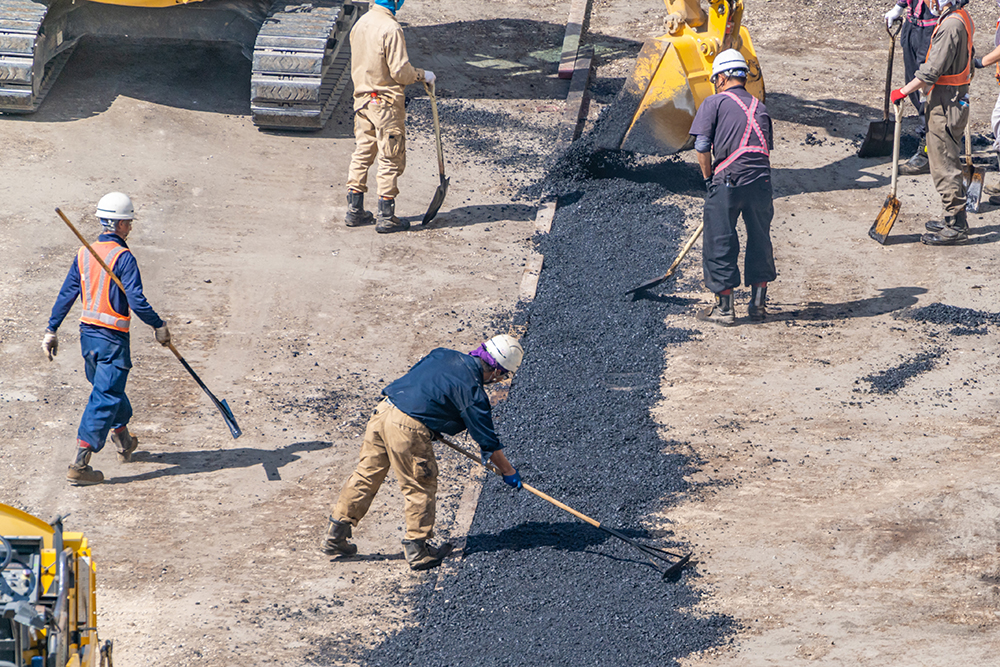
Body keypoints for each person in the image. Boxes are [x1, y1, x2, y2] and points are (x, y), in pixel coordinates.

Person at [321, 334, 524, 571]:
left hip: (384, 411)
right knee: (420, 484)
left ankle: (336, 535)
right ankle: (418, 550)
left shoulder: (443, 354)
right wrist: (508, 471)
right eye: (504, 376)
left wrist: (431, 421)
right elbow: (487, 440)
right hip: (407, 428)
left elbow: (422, 385)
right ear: (497, 372)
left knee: (366, 475)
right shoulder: (473, 390)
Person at [43, 193, 171, 486]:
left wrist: (52, 329)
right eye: (127, 222)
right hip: (112, 340)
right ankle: (80, 462)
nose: (130, 227)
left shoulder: (84, 253)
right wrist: (158, 325)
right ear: (117, 224)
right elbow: (137, 301)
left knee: (108, 390)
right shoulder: (123, 257)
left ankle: (123, 439)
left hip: (88, 338)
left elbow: (67, 293)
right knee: (105, 396)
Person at [689, 49, 776, 327]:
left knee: (720, 240)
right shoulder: (760, 107)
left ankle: (725, 309)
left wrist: (707, 179)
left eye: (717, 79)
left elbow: (702, 146)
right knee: (760, 238)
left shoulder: (713, 103)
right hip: (761, 182)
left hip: (728, 181)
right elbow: (761, 151)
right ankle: (758, 305)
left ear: (723, 77)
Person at [343, 0, 435, 234]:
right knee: (390, 156)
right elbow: (400, 72)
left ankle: (354, 211)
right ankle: (386, 217)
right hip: (385, 104)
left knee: (363, 151)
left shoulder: (361, 23)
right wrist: (423, 75)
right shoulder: (391, 28)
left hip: (362, 100)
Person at [891, 0, 974, 245]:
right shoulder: (962, 17)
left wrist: (903, 91)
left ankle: (956, 226)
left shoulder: (950, 26)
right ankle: (951, 218)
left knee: (943, 164)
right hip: (953, 98)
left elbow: (931, 70)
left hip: (945, 104)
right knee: (946, 157)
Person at [886, 0, 939, 175]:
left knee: (928, 85)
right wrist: (899, 7)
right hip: (913, 25)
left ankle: (928, 150)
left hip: (933, 28)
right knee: (913, 82)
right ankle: (932, 139)